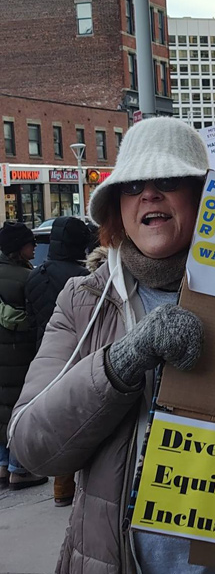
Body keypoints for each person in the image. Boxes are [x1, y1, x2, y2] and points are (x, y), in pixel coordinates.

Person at [9, 117, 215, 574]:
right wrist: (123, 361)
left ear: (203, 196)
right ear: (116, 209)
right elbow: (32, 446)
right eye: (132, 185)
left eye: (168, 180)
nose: (149, 194)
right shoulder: (84, 301)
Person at [24, 216, 92, 506]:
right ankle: (71, 486)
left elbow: (31, 318)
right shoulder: (83, 278)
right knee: (78, 421)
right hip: (77, 355)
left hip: (46, 352)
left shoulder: (35, 275)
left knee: (56, 421)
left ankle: (61, 488)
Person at [0, 222, 45, 491]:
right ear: (19, 248)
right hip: (20, 354)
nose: (35, 246)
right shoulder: (28, 278)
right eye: (31, 243)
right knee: (20, 408)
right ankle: (20, 469)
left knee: (2, 409)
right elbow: (35, 319)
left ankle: (3, 465)